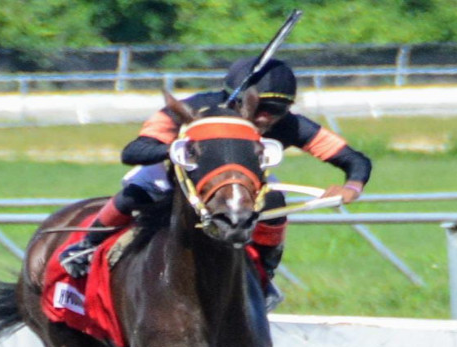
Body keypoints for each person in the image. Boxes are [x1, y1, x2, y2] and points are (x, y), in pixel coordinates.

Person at [60, 57, 373, 310]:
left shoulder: (292, 126)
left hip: (241, 182)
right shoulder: (194, 108)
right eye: (258, 108)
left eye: (276, 111)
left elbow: (355, 160)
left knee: (275, 201)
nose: (265, 118)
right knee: (134, 193)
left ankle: (264, 275)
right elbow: (134, 151)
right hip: (180, 171)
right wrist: (179, 149)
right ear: (234, 101)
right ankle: (86, 246)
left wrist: (352, 187)